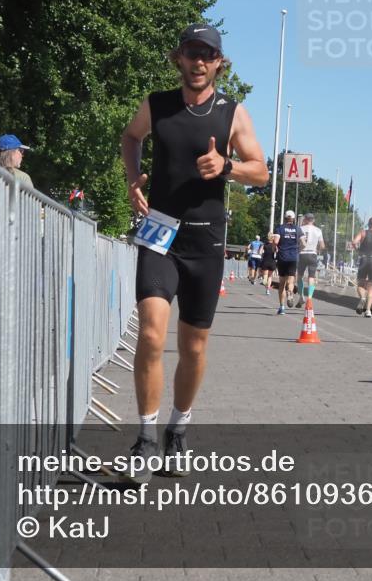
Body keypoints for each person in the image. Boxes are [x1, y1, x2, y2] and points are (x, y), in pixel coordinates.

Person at [121, 23, 268, 480]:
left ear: (219, 62)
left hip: (206, 241)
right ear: (178, 58)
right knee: (149, 334)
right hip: (160, 233)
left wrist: (227, 167)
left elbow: (261, 172)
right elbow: (131, 137)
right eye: (191, 52)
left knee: (194, 346)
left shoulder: (233, 114)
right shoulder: (158, 105)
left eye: (208, 54)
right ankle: (145, 439)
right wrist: (133, 180)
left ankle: (178, 431)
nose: (199, 61)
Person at [272, 210, 301, 314]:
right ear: (293, 218)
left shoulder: (280, 228)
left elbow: (275, 241)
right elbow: (303, 243)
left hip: (282, 257)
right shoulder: (298, 229)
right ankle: (290, 293)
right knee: (291, 281)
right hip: (293, 257)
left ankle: (282, 307)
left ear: (285, 217)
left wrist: (274, 248)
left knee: (282, 283)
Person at [294, 212, 326, 308]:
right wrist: (317, 250)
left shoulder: (300, 229)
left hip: (302, 254)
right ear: (313, 220)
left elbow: (296, 242)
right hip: (313, 254)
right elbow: (322, 246)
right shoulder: (318, 230)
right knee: (311, 277)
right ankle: (310, 298)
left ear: (305, 219)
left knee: (299, 276)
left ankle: (301, 296)